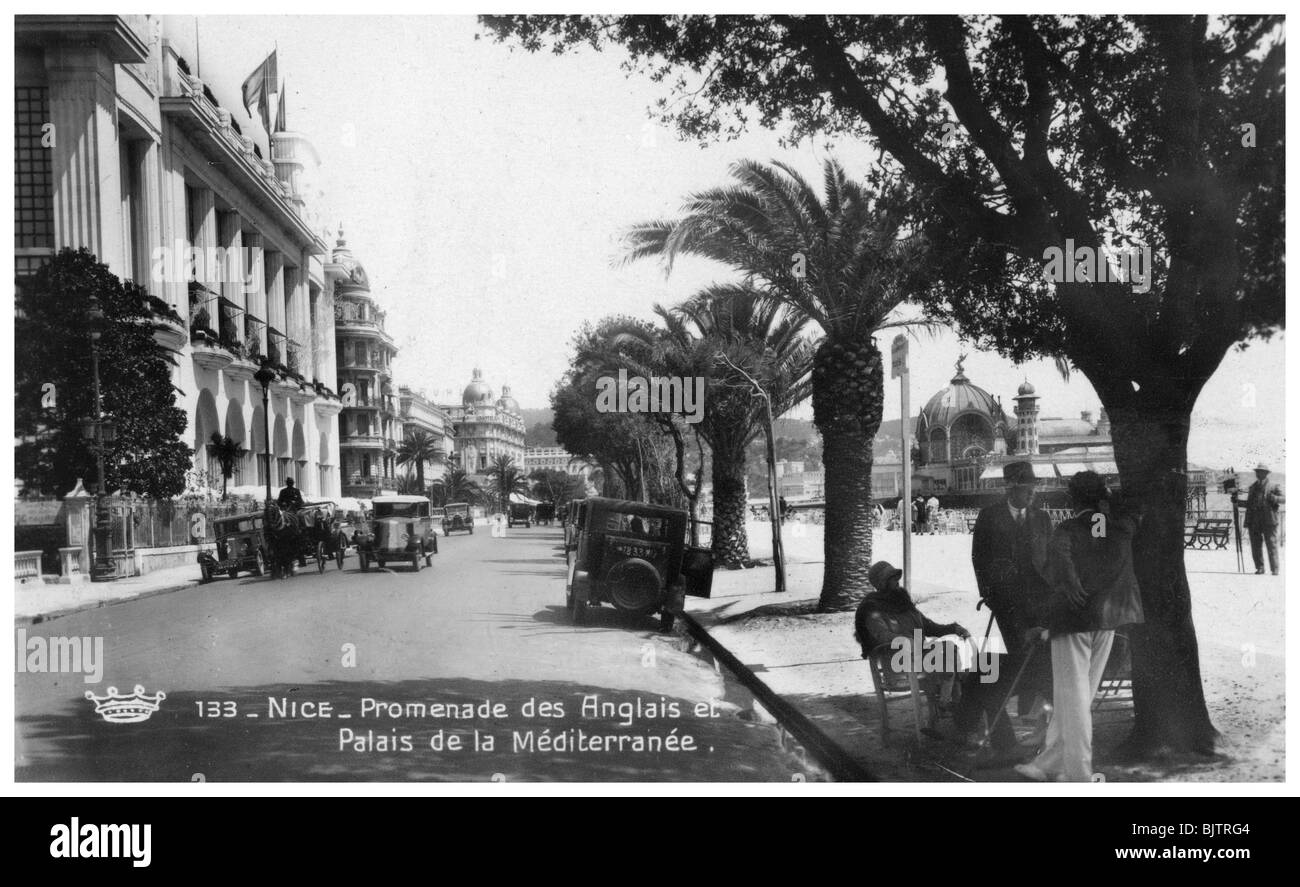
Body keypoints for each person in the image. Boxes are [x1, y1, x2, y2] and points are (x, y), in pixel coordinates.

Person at [1015, 471, 1145, 783]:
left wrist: (1071, 583)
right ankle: (1048, 764)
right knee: (1078, 698)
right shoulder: (1120, 526)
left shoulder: (1068, 527)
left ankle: (1079, 776)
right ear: (1101, 496)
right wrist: (1107, 500)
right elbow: (1134, 511)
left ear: (1072, 500)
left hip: (1073, 620)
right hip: (1107, 620)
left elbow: (1058, 559)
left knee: (1071, 699)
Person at [962, 461, 1054, 755]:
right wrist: (988, 594)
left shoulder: (1042, 518)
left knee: (1038, 655)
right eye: (1027, 488)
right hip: (1007, 601)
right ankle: (1014, 713)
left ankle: (1032, 712)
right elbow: (979, 558)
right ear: (1012, 488)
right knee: (1019, 651)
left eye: (1033, 488)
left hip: (1039, 600)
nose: (1032, 493)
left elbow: (1050, 558)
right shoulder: (990, 517)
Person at [854, 561, 971, 725]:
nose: (897, 581)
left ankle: (948, 707)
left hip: (919, 658)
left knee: (950, 651)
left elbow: (929, 626)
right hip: (898, 662)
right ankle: (951, 709)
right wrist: (904, 640)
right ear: (882, 583)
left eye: (896, 577)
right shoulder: (871, 608)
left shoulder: (903, 603)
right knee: (951, 663)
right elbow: (881, 635)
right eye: (892, 578)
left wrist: (954, 628)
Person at [1242, 463, 1284, 575]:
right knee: (1255, 545)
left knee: (1271, 544)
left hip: (1269, 520)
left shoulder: (1274, 486)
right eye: (1257, 472)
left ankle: (1274, 569)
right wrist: (1237, 503)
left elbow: (1284, 499)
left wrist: (1274, 498)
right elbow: (1249, 504)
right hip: (1254, 521)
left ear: (1266, 473)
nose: (1258, 474)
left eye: (1261, 472)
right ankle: (1260, 568)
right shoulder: (1253, 487)